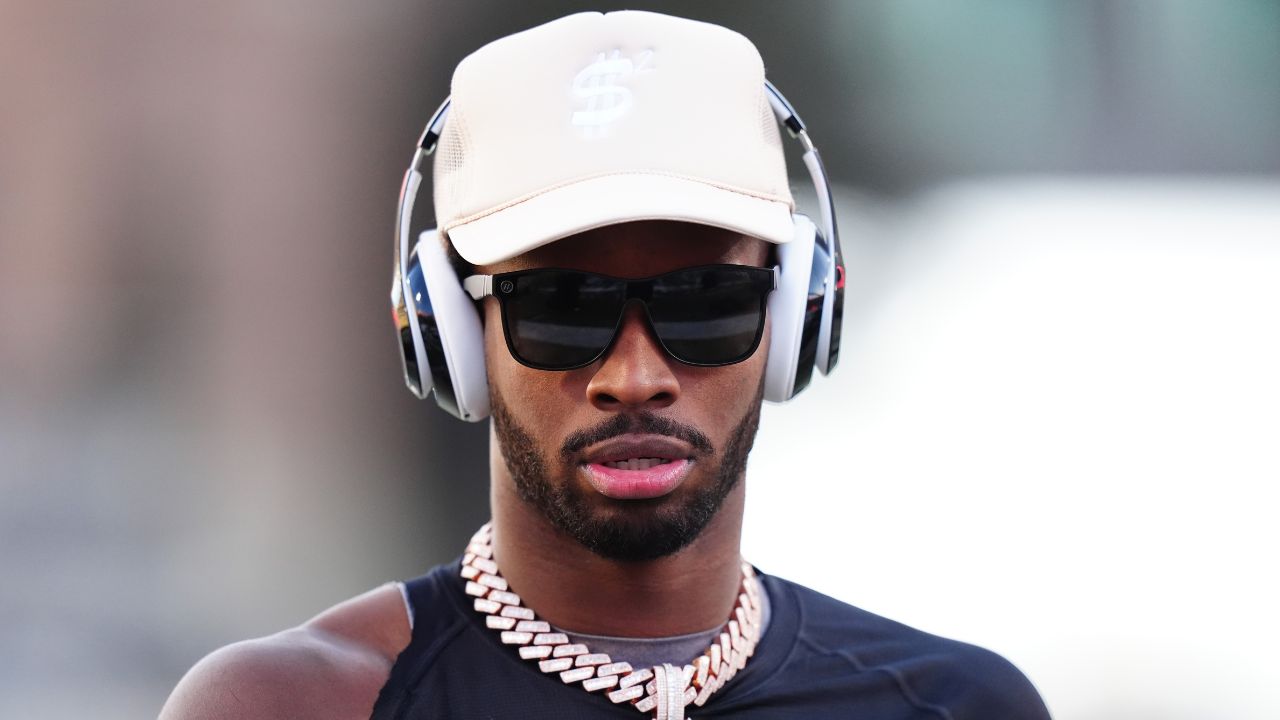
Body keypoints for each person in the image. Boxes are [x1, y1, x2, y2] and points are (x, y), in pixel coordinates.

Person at [161, 11, 1051, 720]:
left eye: (707, 301)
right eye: (560, 306)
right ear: (448, 331)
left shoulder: (953, 705)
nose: (634, 377)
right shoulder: (294, 708)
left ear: (795, 311)